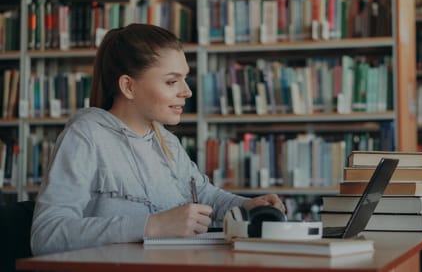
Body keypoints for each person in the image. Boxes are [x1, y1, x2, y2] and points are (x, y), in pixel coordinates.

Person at [30, 24, 285, 256]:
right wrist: (152, 225)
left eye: (185, 78)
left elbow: (204, 195)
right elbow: (47, 234)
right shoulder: (85, 135)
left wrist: (246, 206)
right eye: (172, 81)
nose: (187, 91)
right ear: (128, 87)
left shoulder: (166, 140)